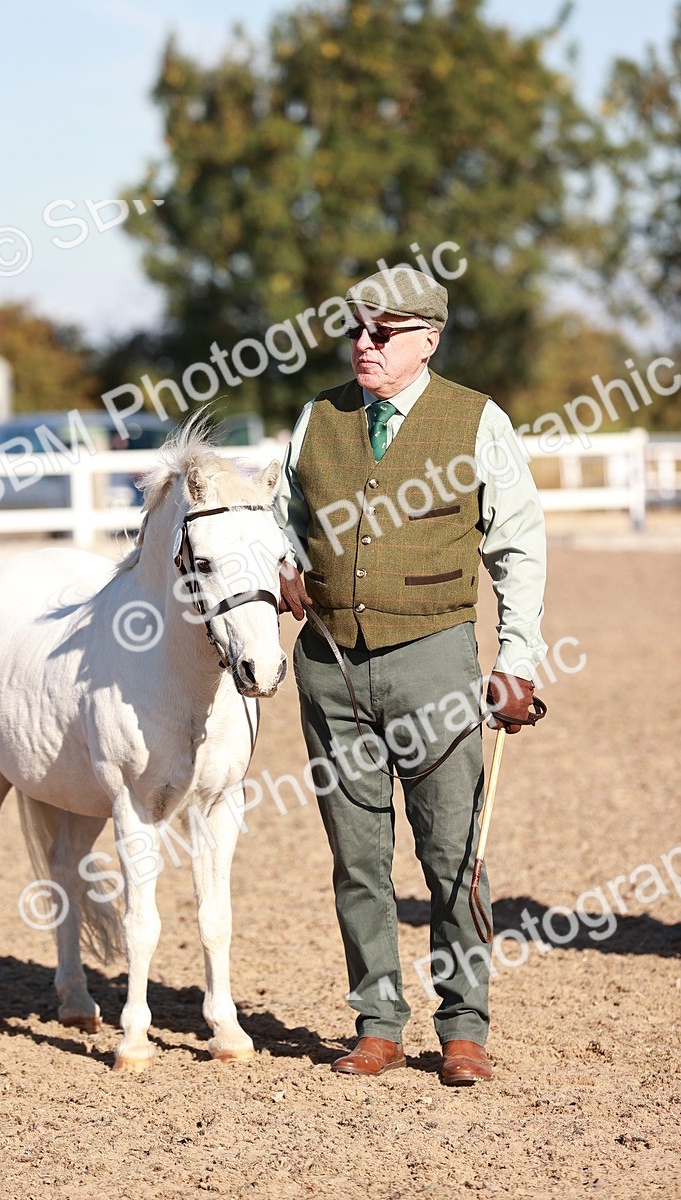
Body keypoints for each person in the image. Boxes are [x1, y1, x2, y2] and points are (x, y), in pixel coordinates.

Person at [273, 264, 547, 1085]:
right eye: (357, 330)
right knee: (357, 858)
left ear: (427, 341)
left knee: (453, 854)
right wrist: (285, 563)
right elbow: (280, 518)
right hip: (329, 668)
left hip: (434, 660)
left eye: (382, 334)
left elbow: (519, 547)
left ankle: (463, 1026)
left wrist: (519, 661)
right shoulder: (316, 420)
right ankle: (377, 1022)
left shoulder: (476, 421)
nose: (363, 344)